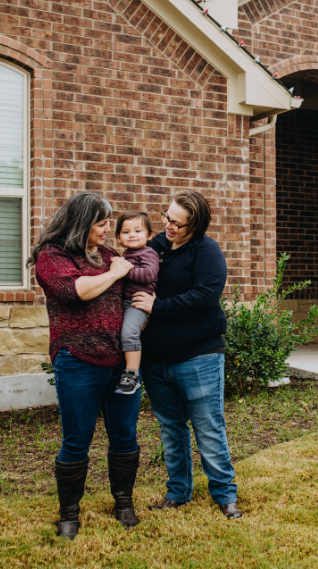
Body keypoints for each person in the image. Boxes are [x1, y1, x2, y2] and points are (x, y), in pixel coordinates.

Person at [27, 191, 142, 540]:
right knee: (77, 440)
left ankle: (123, 502)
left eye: (108, 222)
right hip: (77, 360)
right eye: (102, 222)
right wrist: (117, 270)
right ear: (82, 223)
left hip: (120, 362)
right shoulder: (52, 256)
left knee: (124, 435)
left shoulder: (108, 255)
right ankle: (69, 514)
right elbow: (76, 292)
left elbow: (129, 295)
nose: (109, 228)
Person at [131, 190, 242, 519]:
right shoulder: (155, 248)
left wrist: (157, 306)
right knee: (170, 429)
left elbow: (204, 297)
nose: (168, 225)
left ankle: (225, 495)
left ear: (195, 225)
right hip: (155, 360)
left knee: (208, 427)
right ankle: (178, 493)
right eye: (166, 216)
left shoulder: (207, 252)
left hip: (199, 358)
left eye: (176, 223)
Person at [114, 211, 159, 396]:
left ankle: (132, 376)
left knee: (129, 333)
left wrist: (123, 270)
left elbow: (148, 274)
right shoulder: (127, 254)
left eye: (138, 230)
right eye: (126, 232)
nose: (132, 235)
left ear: (149, 235)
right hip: (125, 302)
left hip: (138, 303)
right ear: (118, 237)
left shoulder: (148, 253)